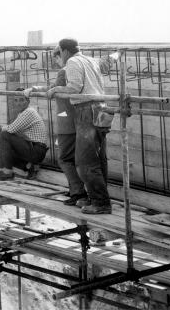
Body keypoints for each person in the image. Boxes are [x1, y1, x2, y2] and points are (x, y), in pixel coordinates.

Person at [26, 38, 114, 214]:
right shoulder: (90, 59)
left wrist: (55, 90)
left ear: (64, 51)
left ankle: (100, 203)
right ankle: (97, 199)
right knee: (98, 158)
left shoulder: (73, 61)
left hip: (86, 110)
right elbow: (108, 62)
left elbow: (74, 87)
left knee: (85, 160)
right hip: (101, 108)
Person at [25, 47, 86, 206]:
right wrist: (35, 89)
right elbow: (52, 87)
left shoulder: (64, 72)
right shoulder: (79, 68)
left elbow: (51, 88)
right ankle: (76, 190)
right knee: (74, 158)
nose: (57, 63)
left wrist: (33, 89)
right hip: (77, 120)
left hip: (66, 121)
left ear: (63, 55)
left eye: (57, 59)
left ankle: (78, 192)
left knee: (65, 158)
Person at [0, 88, 49, 180]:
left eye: (21, 100)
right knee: (7, 145)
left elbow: (10, 130)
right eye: (16, 100)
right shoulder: (23, 113)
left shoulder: (28, 112)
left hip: (36, 150)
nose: (18, 103)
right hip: (34, 148)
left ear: (28, 101)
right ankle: (27, 167)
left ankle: (7, 172)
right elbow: (14, 131)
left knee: (5, 135)